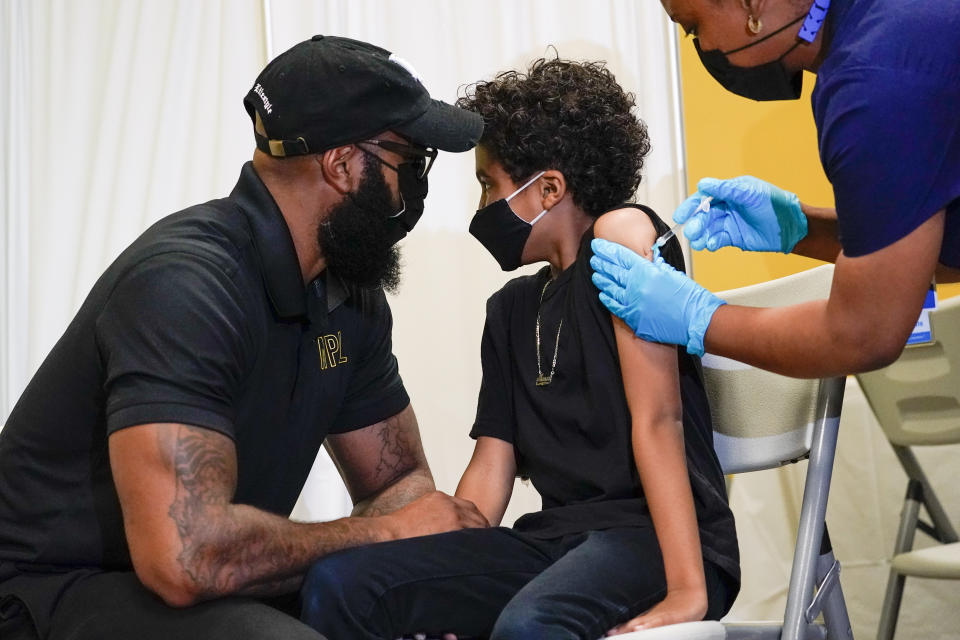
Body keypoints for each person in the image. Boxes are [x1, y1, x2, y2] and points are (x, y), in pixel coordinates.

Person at [0, 35, 488, 640]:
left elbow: (395, 485)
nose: (415, 185)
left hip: (211, 579)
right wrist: (389, 533)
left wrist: (420, 569)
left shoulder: (348, 295)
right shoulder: (186, 285)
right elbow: (186, 558)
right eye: (409, 162)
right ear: (341, 165)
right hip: (56, 589)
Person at [298, 57, 740, 640]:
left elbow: (659, 418)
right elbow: (492, 466)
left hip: (655, 537)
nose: (481, 209)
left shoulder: (620, 243)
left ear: (549, 188)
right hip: (554, 544)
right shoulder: (508, 313)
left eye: (489, 185)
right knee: (344, 585)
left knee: (530, 626)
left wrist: (689, 588)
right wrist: (447, 565)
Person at [591, 0, 960, 378]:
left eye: (693, 28)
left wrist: (698, 318)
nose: (702, 48)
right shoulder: (895, 29)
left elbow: (863, 334)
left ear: (754, 7)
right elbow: (910, 261)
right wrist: (802, 230)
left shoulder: (875, 83)